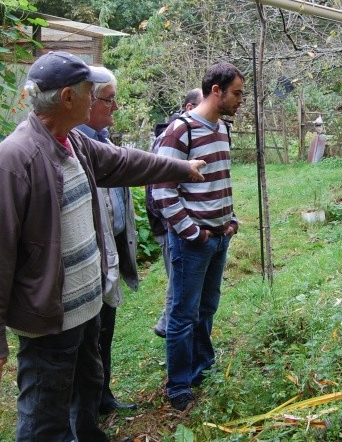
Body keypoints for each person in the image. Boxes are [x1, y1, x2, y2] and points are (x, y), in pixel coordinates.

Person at [0, 51, 206, 441]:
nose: (96, 100)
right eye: (89, 92)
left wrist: (181, 168)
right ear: (67, 98)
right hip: (50, 320)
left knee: (88, 391)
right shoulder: (12, 161)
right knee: (45, 417)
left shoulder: (73, 142)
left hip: (87, 309)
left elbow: (125, 162)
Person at [149, 62, 244, 411]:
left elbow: (222, 178)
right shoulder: (180, 131)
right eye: (236, 93)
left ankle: (202, 368)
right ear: (215, 91)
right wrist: (194, 234)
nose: (240, 100)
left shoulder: (221, 130)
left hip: (220, 237)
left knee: (207, 307)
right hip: (193, 243)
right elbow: (162, 192)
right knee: (183, 314)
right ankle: (178, 385)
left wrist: (230, 220)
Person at [75, 67, 138, 415]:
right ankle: (84, 410)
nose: (115, 107)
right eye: (109, 99)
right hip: (87, 258)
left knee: (105, 330)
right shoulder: (72, 145)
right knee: (86, 337)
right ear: (87, 100)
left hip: (110, 252)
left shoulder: (103, 140)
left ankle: (102, 396)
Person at [149, 87, 204, 339]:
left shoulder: (192, 134)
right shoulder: (170, 138)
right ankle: (172, 331)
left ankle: (170, 327)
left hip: (180, 224)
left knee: (179, 285)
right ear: (190, 108)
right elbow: (156, 191)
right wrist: (177, 225)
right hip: (171, 225)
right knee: (180, 286)